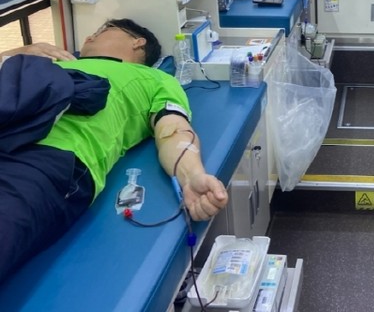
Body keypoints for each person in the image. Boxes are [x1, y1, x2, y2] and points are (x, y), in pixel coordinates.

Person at [0, 19, 229, 279]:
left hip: (45, 157)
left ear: (138, 42)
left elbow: (173, 129)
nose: (89, 36)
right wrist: (17, 52)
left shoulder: (153, 79)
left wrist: (191, 176)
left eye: (102, 31)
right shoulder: (44, 64)